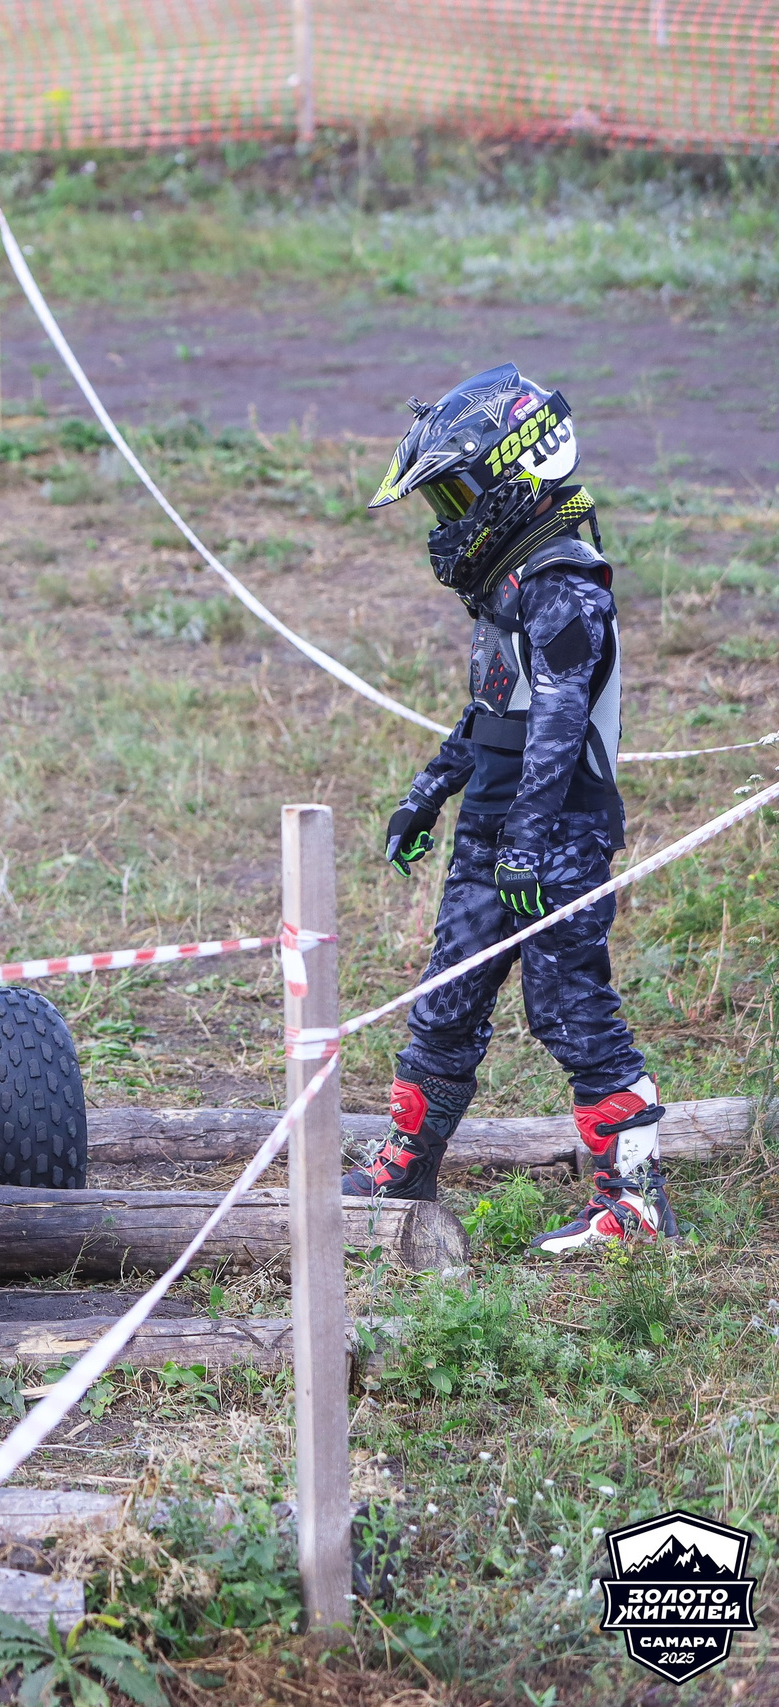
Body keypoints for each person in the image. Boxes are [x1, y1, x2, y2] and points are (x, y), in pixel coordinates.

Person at [350, 363, 668, 1254]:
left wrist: (527, 845)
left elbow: (560, 727)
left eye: (457, 491)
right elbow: (497, 707)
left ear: (515, 471)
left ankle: (636, 1205)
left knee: (569, 1006)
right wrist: (428, 791)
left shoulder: (566, 578)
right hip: (497, 819)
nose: (449, 517)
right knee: (447, 996)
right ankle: (404, 1171)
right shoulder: (508, 578)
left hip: (556, 828)